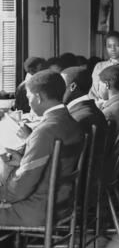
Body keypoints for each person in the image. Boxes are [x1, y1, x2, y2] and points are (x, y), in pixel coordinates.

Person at [0, 71, 84, 226]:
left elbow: (20, 188)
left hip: (37, 210)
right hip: (62, 204)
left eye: (29, 97)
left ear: (38, 97)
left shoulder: (44, 131)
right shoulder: (72, 123)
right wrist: (22, 162)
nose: (29, 102)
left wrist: (3, 193)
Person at [89, 31, 119, 101]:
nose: (113, 49)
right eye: (109, 46)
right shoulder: (99, 66)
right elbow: (93, 92)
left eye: (117, 45)